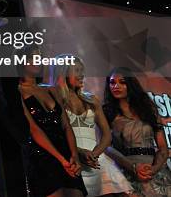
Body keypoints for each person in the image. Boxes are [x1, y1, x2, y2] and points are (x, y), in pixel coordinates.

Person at [49, 55, 134, 196]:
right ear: (63, 72)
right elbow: (56, 135)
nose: (81, 75)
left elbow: (107, 135)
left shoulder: (91, 100)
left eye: (82, 70)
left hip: (96, 160)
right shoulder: (54, 99)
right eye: (76, 70)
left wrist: (94, 155)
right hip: (72, 159)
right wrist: (79, 152)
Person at [18, 45, 87, 197]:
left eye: (39, 57)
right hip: (42, 155)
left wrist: (74, 154)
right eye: (32, 57)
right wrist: (60, 159)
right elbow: (34, 129)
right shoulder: (18, 91)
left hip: (66, 152)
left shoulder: (51, 89)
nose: (37, 60)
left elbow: (66, 125)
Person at [103, 67, 171, 197]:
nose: (116, 86)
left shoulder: (149, 109)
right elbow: (106, 147)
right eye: (112, 82)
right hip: (125, 169)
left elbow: (163, 148)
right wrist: (133, 167)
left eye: (122, 82)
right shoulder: (107, 112)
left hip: (155, 169)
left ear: (131, 84)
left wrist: (154, 169)